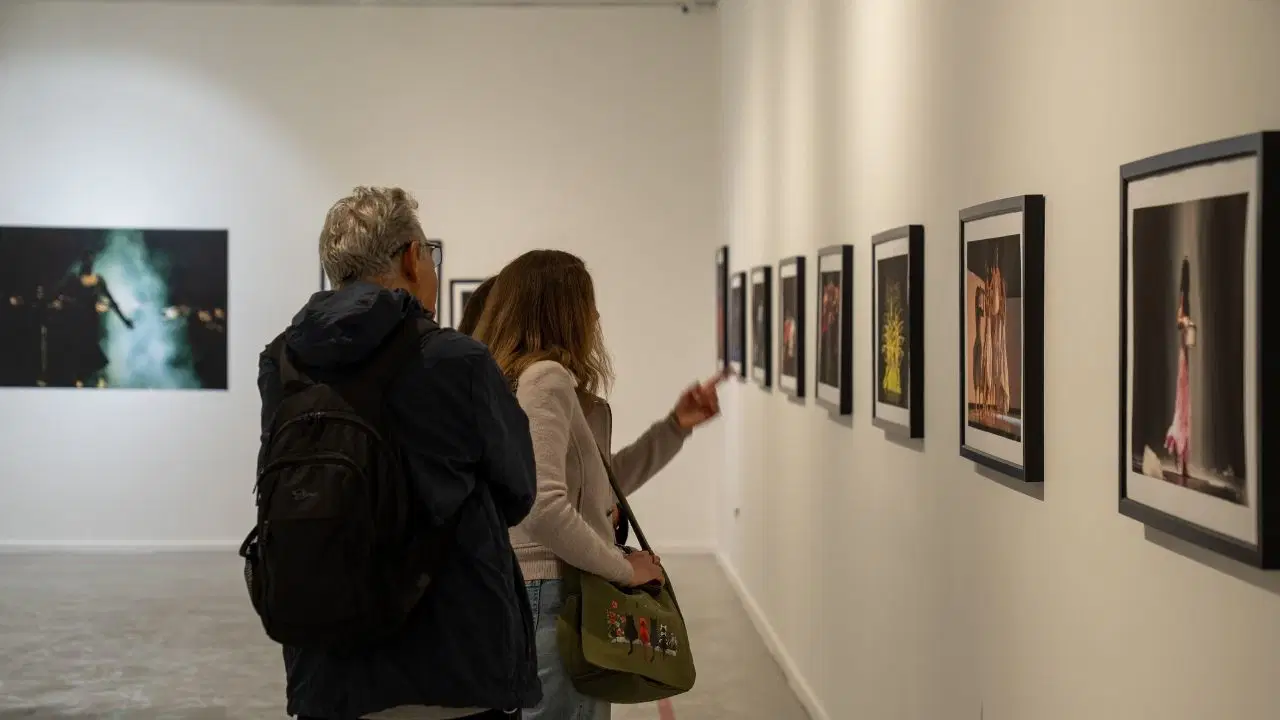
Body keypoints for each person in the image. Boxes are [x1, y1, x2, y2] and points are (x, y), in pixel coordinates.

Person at [257, 186, 541, 720]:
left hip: (328, 662)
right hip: (454, 659)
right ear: (413, 257)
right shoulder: (458, 360)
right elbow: (518, 490)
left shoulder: (283, 362)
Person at [472, 249, 726, 720]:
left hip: (541, 594)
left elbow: (600, 489)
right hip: (550, 596)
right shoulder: (544, 380)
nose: (596, 317)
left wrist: (675, 427)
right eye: (587, 304)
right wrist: (624, 569)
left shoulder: (533, 383)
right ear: (563, 310)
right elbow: (543, 506)